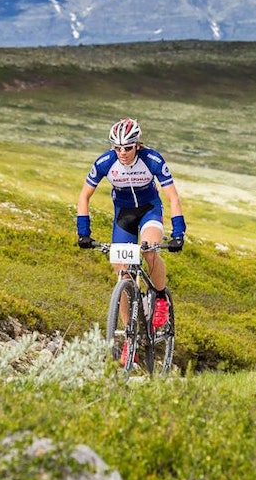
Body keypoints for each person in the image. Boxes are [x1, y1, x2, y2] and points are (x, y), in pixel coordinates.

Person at [76, 118, 186, 351]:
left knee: (149, 250)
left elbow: (173, 197)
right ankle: (130, 336)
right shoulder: (105, 162)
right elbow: (84, 196)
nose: (122, 153)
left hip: (149, 211)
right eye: (117, 148)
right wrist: (83, 232)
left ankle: (159, 297)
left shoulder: (152, 160)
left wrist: (178, 233)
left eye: (127, 147)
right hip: (124, 216)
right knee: (123, 273)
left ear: (137, 144)